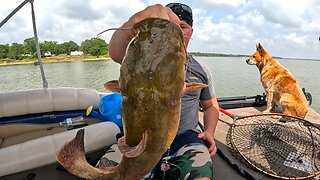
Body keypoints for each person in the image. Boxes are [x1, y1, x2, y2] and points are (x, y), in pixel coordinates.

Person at [108, 3, 220, 180]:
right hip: (138, 141)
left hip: (184, 139)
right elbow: (115, 52)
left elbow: (211, 106)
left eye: (182, 27)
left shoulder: (201, 69)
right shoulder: (137, 58)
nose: (177, 31)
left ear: (191, 31)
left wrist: (210, 132)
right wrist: (133, 23)